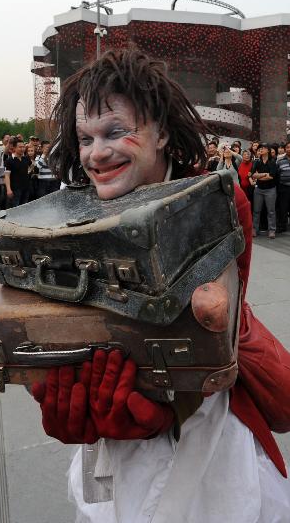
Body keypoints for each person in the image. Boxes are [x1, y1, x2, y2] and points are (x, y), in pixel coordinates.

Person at [33, 48, 290, 523]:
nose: (96, 153)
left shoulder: (216, 202)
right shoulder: (70, 211)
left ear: (162, 133)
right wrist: (57, 375)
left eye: (115, 131)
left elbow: (208, 333)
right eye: (84, 138)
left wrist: (150, 399)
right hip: (121, 451)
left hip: (204, 426)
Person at [251, 142, 277, 239]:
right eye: (260, 148)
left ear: (268, 150)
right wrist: (263, 174)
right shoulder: (257, 162)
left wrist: (259, 176)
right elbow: (253, 175)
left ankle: (272, 230)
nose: (261, 149)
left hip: (270, 189)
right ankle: (254, 229)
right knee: (256, 210)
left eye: (263, 148)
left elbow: (271, 177)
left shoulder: (272, 161)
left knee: (271, 211)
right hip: (259, 189)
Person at [4, 138, 31, 207]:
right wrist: (8, 189)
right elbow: (7, 176)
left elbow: (31, 167)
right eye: (20, 147)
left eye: (23, 147)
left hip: (26, 188)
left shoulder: (26, 158)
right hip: (15, 189)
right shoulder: (9, 160)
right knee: (15, 209)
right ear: (14, 148)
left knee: (24, 208)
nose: (22, 149)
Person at [276, 140, 290, 233]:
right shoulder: (280, 161)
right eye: (288, 147)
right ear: (285, 149)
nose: (289, 149)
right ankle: (282, 226)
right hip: (283, 187)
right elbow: (277, 174)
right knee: (283, 207)